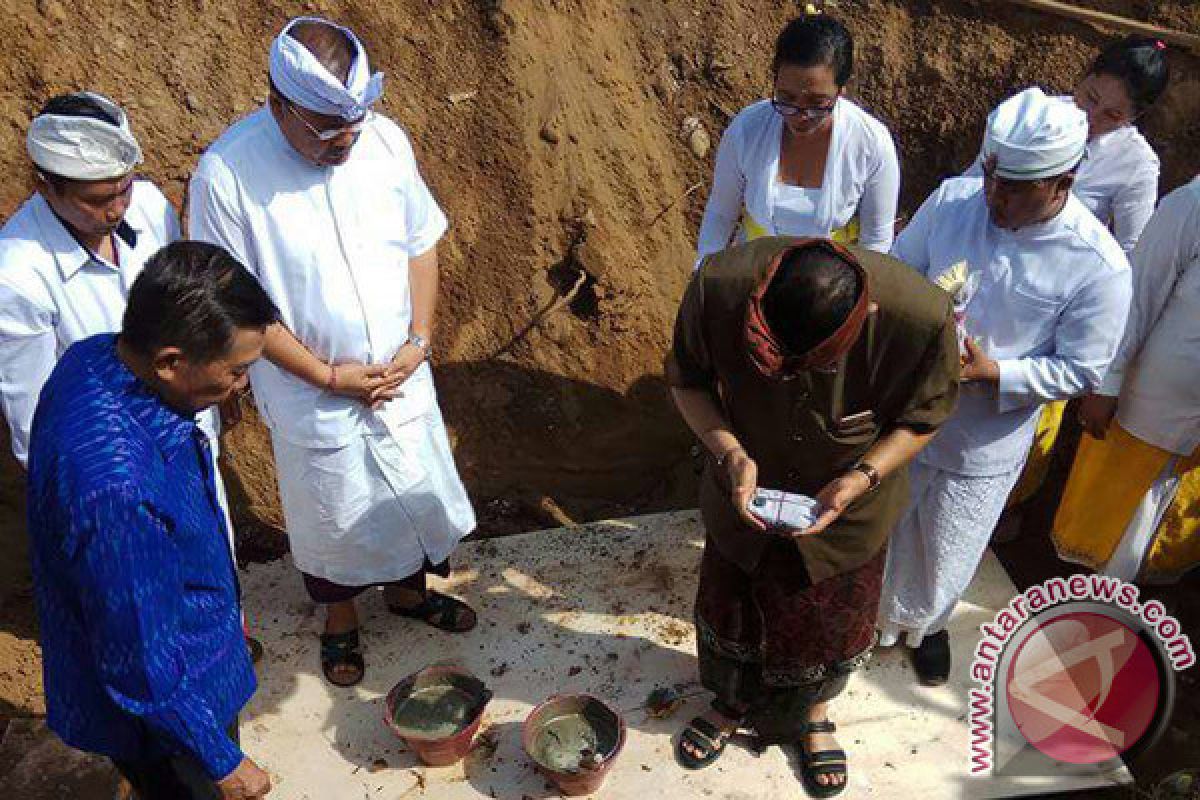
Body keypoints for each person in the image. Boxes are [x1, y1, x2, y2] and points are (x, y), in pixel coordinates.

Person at [189, 16, 477, 688]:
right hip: (311, 388)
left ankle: (409, 593)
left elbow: (420, 243)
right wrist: (326, 374)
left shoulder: (385, 143)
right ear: (278, 105)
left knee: (407, 489)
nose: (344, 139)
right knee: (331, 509)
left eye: (352, 124)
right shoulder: (228, 174)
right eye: (324, 128)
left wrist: (419, 343)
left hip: (399, 371)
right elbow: (236, 305)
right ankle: (340, 620)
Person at [667, 237, 960, 796]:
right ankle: (731, 702)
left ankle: (815, 715)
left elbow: (923, 420)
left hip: (849, 509)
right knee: (735, 611)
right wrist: (730, 453)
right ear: (761, 296)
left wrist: (861, 477)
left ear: (865, 316)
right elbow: (688, 382)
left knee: (830, 624)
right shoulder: (718, 289)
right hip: (740, 490)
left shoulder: (920, 319)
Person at [878, 88, 1133, 685]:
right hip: (907, 413)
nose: (995, 195)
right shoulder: (952, 201)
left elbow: (1081, 369)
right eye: (992, 175)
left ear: (1062, 182)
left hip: (984, 438)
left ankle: (927, 626)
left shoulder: (1097, 265)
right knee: (886, 524)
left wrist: (995, 372)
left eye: (1016, 187)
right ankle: (870, 618)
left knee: (950, 544)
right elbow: (896, 273)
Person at [0, 91, 264, 664]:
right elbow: (36, 420)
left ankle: (222, 639)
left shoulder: (146, 205)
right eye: (99, 199)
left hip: (186, 431)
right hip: (117, 466)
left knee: (206, 546)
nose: (117, 207)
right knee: (146, 596)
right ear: (47, 187)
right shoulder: (17, 274)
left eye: (123, 186)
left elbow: (192, 312)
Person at [26, 241, 278, 799]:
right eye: (236, 371)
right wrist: (221, 761)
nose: (242, 386)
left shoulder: (94, 356)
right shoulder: (116, 487)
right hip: (168, 723)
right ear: (169, 362)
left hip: (188, 656)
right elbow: (141, 663)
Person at [974, 36, 1168, 520]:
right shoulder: (1032, 116)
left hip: (1054, 299)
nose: (1092, 120)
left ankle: (1003, 505)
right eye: (1089, 99)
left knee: (1030, 419)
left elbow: (1127, 259)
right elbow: (976, 183)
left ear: (1135, 118)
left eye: (1113, 116)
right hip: (989, 270)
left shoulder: (1136, 165)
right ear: (1080, 79)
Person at [1053, 176, 1200, 584]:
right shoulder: (1190, 205)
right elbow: (1139, 296)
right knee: (1125, 518)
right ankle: (1098, 608)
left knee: (1163, 514)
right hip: (1153, 402)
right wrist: (1108, 382)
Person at [695, 14, 900, 264]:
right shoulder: (747, 130)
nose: (800, 116)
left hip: (829, 281)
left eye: (817, 103)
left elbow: (876, 238)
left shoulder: (871, 144)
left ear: (841, 91)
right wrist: (703, 271)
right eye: (786, 98)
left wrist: (861, 292)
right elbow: (721, 213)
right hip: (753, 269)